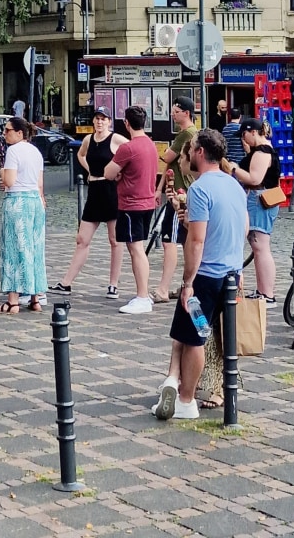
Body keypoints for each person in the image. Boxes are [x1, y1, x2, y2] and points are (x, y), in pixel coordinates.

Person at [152, 128, 247, 421]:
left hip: (205, 278)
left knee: (194, 337)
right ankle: (175, 382)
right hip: (229, 274)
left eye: (191, 148)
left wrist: (188, 282)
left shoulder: (200, 189)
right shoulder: (233, 186)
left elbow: (196, 240)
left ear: (200, 153)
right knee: (195, 333)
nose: (189, 153)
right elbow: (242, 229)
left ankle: (185, 399)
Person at [50, 107, 125, 299]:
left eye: (103, 119)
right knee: (82, 239)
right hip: (94, 191)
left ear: (109, 121)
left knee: (114, 240)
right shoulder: (88, 140)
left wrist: (121, 173)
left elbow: (133, 152)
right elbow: (81, 155)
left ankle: (113, 285)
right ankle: (66, 282)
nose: (100, 122)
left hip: (111, 191)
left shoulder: (116, 139)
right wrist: (89, 169)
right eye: (97, 119)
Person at [104, 105, 159, 315]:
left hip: (131, 204)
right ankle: (142, 294)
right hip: (146, 202)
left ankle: (142, 296)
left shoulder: (128, 148)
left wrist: (118, 174)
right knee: (138, 247)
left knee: (136, 249)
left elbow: (109, 173)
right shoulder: (151, 145)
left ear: (126, 123)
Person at [0, 116, 46, 314]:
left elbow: (10, 181)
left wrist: (3, 172)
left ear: (19, 133)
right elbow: (39, 183)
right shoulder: (36, 152)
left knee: (13, 248)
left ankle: (13, 300)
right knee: (34, 248)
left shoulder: (13, 151)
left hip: (17, 201)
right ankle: (35, 297)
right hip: (35, 201)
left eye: (8, 130)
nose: (5, 134)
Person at [228, 117, 281, 304]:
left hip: (260, 199)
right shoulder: (262, 149)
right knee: (258, 247)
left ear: (253, 132)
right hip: (261, 198)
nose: (243, 139)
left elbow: (254, 178)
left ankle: (267, 293)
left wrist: (234, 169)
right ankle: (263, 291)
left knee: (260, 246)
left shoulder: (262, 152)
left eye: (244, 134)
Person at [153, 137, 193, 303]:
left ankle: (164, 289)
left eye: (182, 158)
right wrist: (160, 188)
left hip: (181, 197)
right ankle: (186, 285)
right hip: (176, 198)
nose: (172, 114)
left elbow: (167, 158)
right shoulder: (181, 135)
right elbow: (169, 165)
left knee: (172, 242)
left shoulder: (187, 135)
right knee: (183, 242)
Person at [162, 97, 197, 195]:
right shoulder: (185, 132)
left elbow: (167, 158)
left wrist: (167, 151)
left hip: (182, 185)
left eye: (176, 112)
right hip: (176, 185)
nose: (173, 114)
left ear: (187, 113)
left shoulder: (187, 133)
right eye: (172, 111)